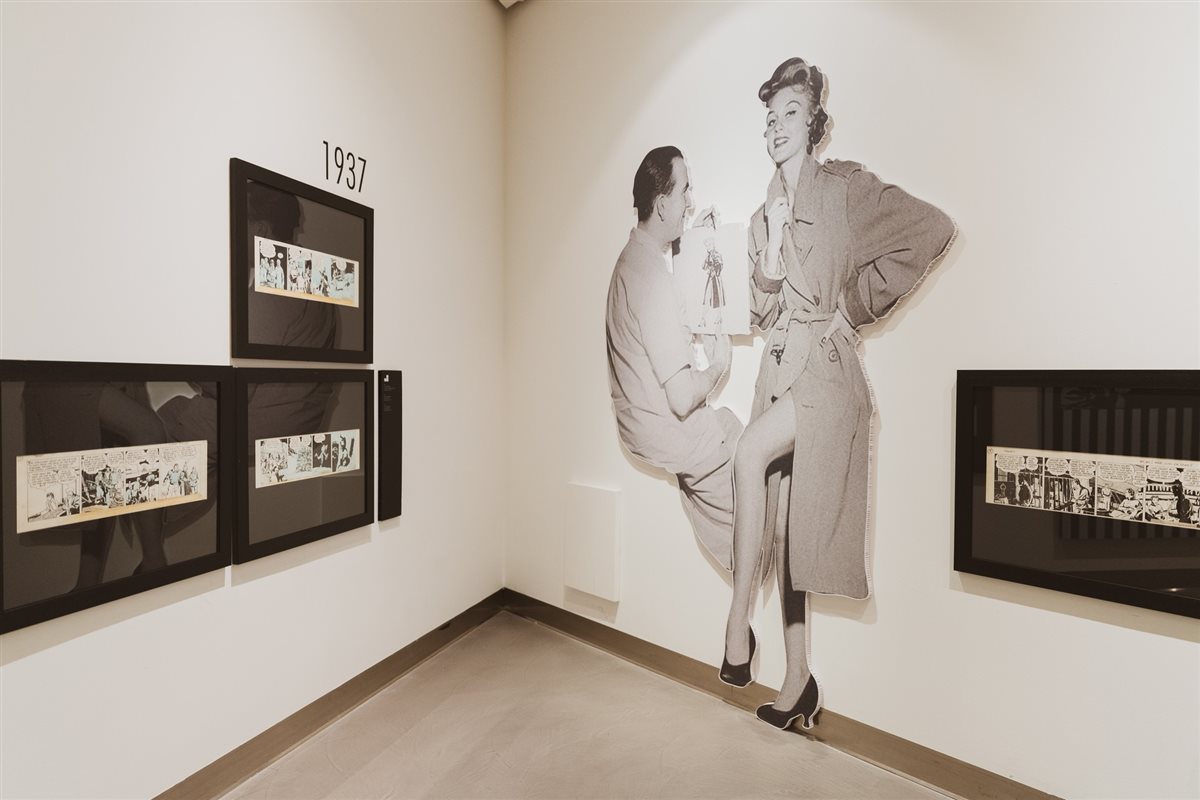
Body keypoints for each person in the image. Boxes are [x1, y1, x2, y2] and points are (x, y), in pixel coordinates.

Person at [720, 57, 956, 729]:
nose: (777, 127)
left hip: (825, 376)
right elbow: (761, 313)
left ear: (814, 124)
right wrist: (768, 259)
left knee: (747, 455)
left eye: (790, 114)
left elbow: (931, 229)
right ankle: (798, 682)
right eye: (770, 117)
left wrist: (852, 309)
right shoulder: (761, 216)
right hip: (780, 374)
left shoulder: (845, 191)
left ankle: (737, 626)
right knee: (789, 531)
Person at [606, 146, 742, 568]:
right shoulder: (651, 280)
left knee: (736, 430)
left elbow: (659, 323)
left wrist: (691, 240)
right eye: (685, 192)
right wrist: (718, 366)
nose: (691, 201)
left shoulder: (632, 260)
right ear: (663, 204)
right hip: (666, 432)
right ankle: (747, 600)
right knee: (761, 473)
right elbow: (682, 398)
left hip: (639, 427)